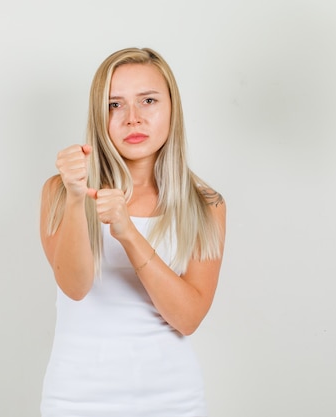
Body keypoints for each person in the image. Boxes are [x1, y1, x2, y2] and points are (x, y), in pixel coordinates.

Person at [39, 47, 226, 417]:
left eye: (149, 101)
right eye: (115, 105)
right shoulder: (59, 192)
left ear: (172, 108)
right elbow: (75, 287)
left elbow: (188, 318)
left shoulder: (205, 204)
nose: (133, 119)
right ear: (99, 114)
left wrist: (128, 232)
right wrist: (78, 196)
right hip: (77, 399)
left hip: (173, 401)